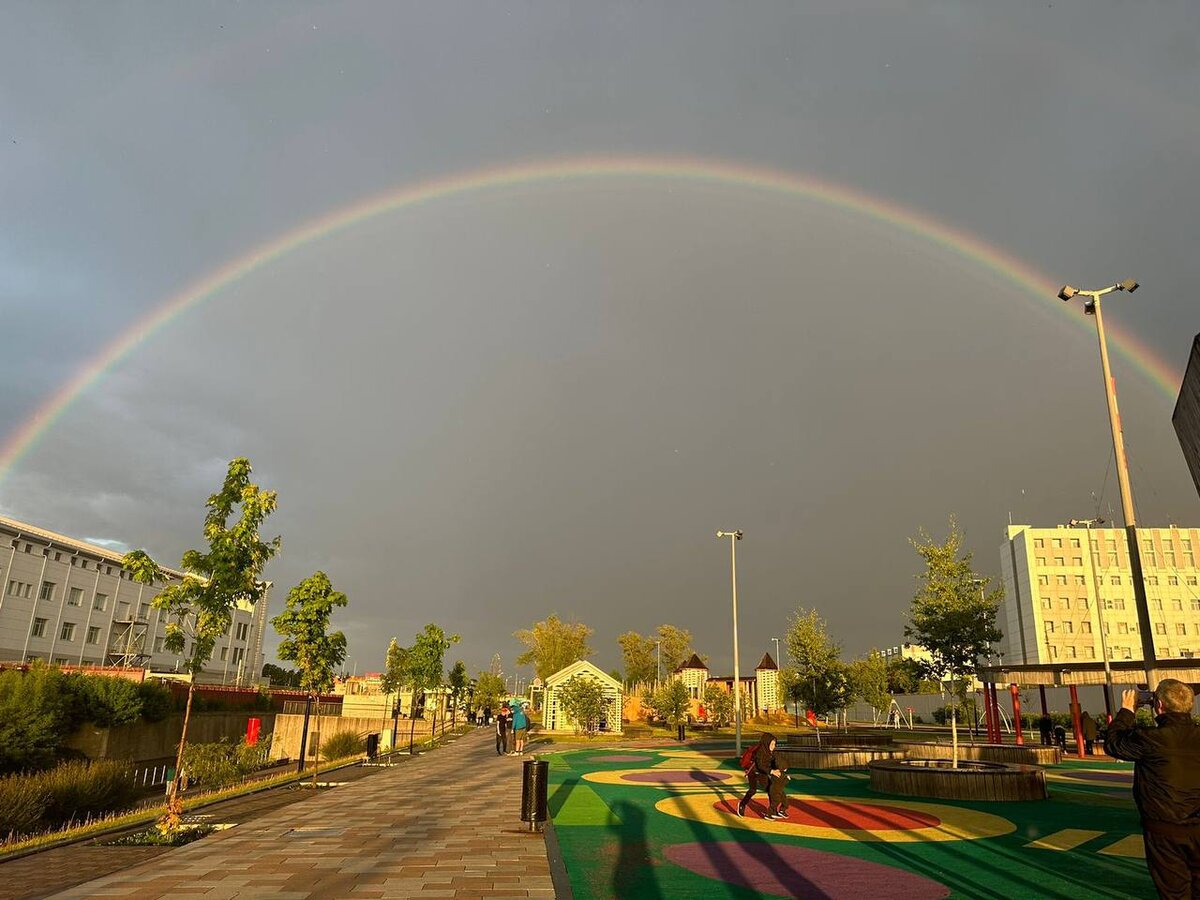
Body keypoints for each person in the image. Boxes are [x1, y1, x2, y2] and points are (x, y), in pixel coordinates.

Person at [1106, 680, 1200, 899]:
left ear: (1159, 705)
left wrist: (1127, 711)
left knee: (1174, 890)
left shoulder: (1149, 738)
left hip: (1164, 828)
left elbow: (1114, 743)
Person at [737, 732, 789, 819]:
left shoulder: (770, 752)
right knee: (753, 790)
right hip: (753, 772)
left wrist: (781, 769)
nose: (773, 746)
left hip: (763, 773)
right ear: (767, 743)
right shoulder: (760, 752)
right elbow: (760, 765)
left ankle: (772, 811)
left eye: (774, 744)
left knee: (770, 789)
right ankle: (742, 805)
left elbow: (771, 763)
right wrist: (771, 771)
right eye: (772, 744)